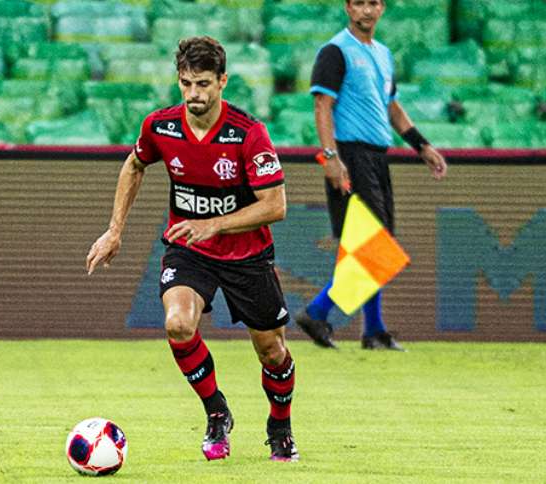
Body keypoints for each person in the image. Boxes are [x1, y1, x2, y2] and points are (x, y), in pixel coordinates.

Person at [86, 36, 298, 462]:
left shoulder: (248, 133)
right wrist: (114, 231)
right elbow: (135, 164)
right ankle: (216, 412)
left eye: (203, 84)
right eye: (186, 84)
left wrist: (214, 224)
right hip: (189, 250)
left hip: (247, 256)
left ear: (223, 81)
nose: (194, 94)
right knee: (178, 324)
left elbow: (276, 206)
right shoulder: (160, 126)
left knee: (272, 351)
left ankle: (280, 425)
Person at [296, 0, 448, 351]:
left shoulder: (383, 54)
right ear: (348, 8)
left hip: (377, 157)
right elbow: (322, 105)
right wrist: (330, 156)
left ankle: (372, 330)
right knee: (376, 244)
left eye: (374, 3)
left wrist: (421, 145)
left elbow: (391, 106)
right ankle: (318, 311)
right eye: (360, 3)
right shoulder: (335, 51)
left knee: (364, 244)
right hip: (350, 154)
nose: (367, 10)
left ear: (382, 9)